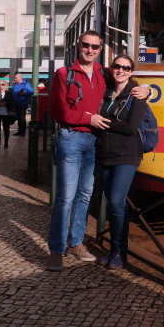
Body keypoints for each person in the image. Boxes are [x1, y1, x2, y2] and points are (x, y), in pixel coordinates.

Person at [46, 30, 149, 272]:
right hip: (71, 137)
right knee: (66, 197)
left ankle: (76, 244)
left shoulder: (105, 74)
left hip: (95, 142)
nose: (90, 50)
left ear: (100, 50)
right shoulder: (64, 74)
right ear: (78, 46)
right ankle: (57, 249)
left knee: (84, 195)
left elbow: (128, 83)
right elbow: (57, 111)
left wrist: (148, 89)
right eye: (86, 45)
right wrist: (87, 118)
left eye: (95, 47)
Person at [95, 55, 147, 270]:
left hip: (127, 156)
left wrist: (103, 123)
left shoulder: (138, 94)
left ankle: (120, 252)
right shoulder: (105, 91)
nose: (121, 70)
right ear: (111, 68)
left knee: (117, 202)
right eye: (117, 66)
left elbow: (130, 127)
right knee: (114, 205)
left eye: (126, 68)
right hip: (105, 154)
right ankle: (114, 248)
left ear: (131, 72)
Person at [11, 72, 33, 137]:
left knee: (22, 118)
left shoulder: (26, 84)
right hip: (16, 103)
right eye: (15, 78)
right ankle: (19, 131)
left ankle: (23, 132)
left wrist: (24, 93)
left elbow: (31, 91)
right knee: (18, 118)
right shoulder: (15, 85)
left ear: (20, 78)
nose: (15, 79)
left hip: (23, 103)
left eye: (16, 78)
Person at [0, 78, 14, 148]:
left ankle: (6, 142)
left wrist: (5, 103)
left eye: (2, 84)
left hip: (6, 113)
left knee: (6, 128)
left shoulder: (9, 93)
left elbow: (12, 102)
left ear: (5, 85)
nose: (1, 86)